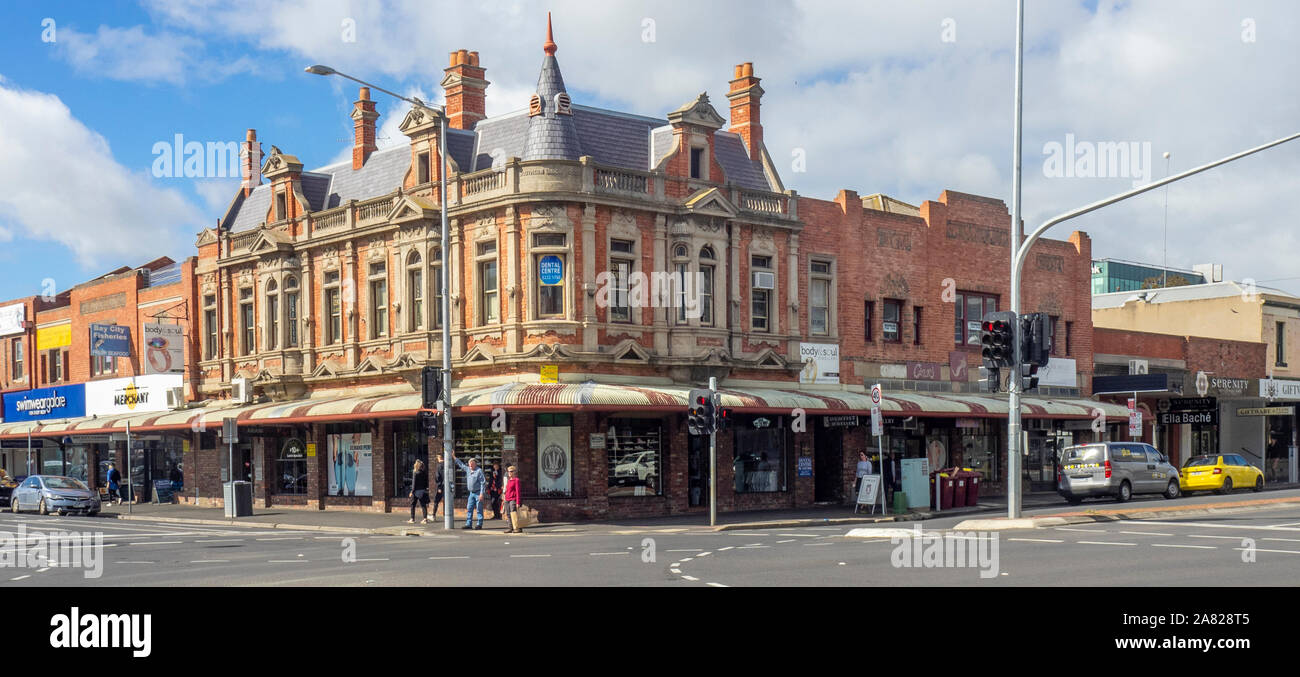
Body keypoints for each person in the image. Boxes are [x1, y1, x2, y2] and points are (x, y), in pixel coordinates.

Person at [452, 452, 486, 530]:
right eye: (469, 464)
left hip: (478, 493)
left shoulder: (479, 471)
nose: (470, 465)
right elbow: (461, 465)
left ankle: (479, 524)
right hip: (471, 493)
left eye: (472, 464)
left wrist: (481, 494)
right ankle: (468, 524)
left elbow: (483, 483)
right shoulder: (468, 469)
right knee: (469, 508)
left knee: (479, 509)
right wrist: (454, 457)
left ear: (475, 464)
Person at [408, 459, 430, 524]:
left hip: (416, 491)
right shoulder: (424, 472)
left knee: (412, 505)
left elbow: (414, 483)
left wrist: (412, 491)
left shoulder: (415, 472)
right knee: (423, 505)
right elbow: (426, 482)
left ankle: (412, 519)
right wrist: (426, 489)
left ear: (416, 465)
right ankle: (425, 519)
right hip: (422, 491)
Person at [502, 465, 523, 533]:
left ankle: (517, 527)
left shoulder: (516, 480)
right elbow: (507, 490)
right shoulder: (509, 480)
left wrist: (518, 502)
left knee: (513, 513)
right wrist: (504, 499)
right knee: (508, 514)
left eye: (511, 471)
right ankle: (510, 527)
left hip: (513, 499)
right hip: (507, 499)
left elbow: (518, 492)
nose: (509, 473)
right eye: (508, 471)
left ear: (514, 472)